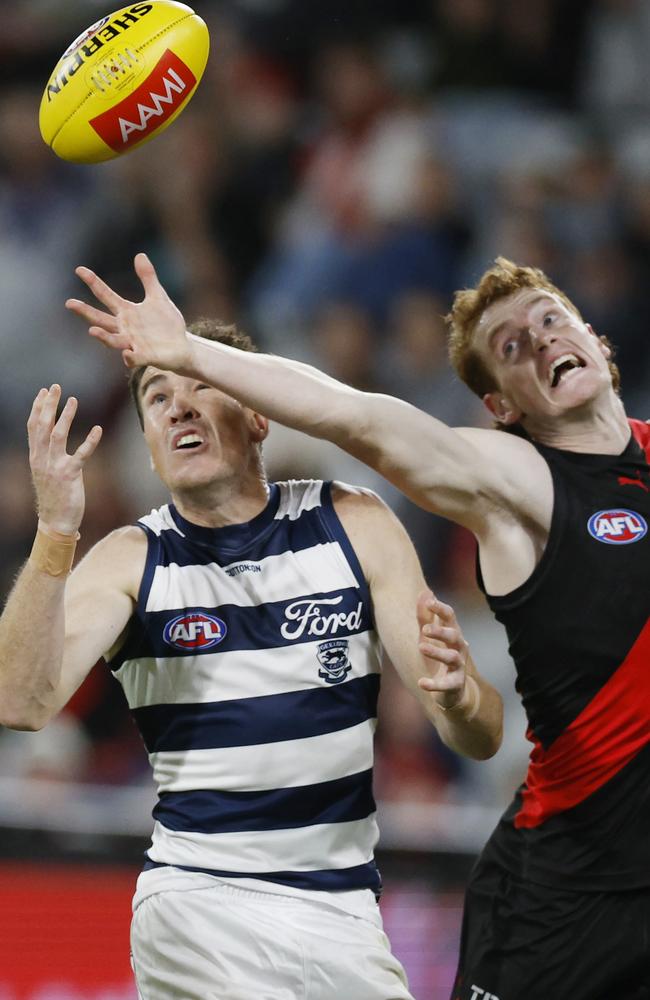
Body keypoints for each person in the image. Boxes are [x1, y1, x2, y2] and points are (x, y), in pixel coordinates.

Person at [67, 252, 650, 1000]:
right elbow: (357, 416)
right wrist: (188, 355)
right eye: (511, 348)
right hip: (568, 895)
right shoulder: (517, 481)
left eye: (549, 321)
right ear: (502, 407)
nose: (539, 342)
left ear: (595, 338)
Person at [0, 314, 502, 1000]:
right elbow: (17, 700)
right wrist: (56, 532)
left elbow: (479, 736)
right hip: (200, 904)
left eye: (200, 385)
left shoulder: (354, 523)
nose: (178, 406)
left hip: (343, 916)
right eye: (156, 399)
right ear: (149, 446)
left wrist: (457, 696)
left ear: (259, 418)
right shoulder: (132, 560)